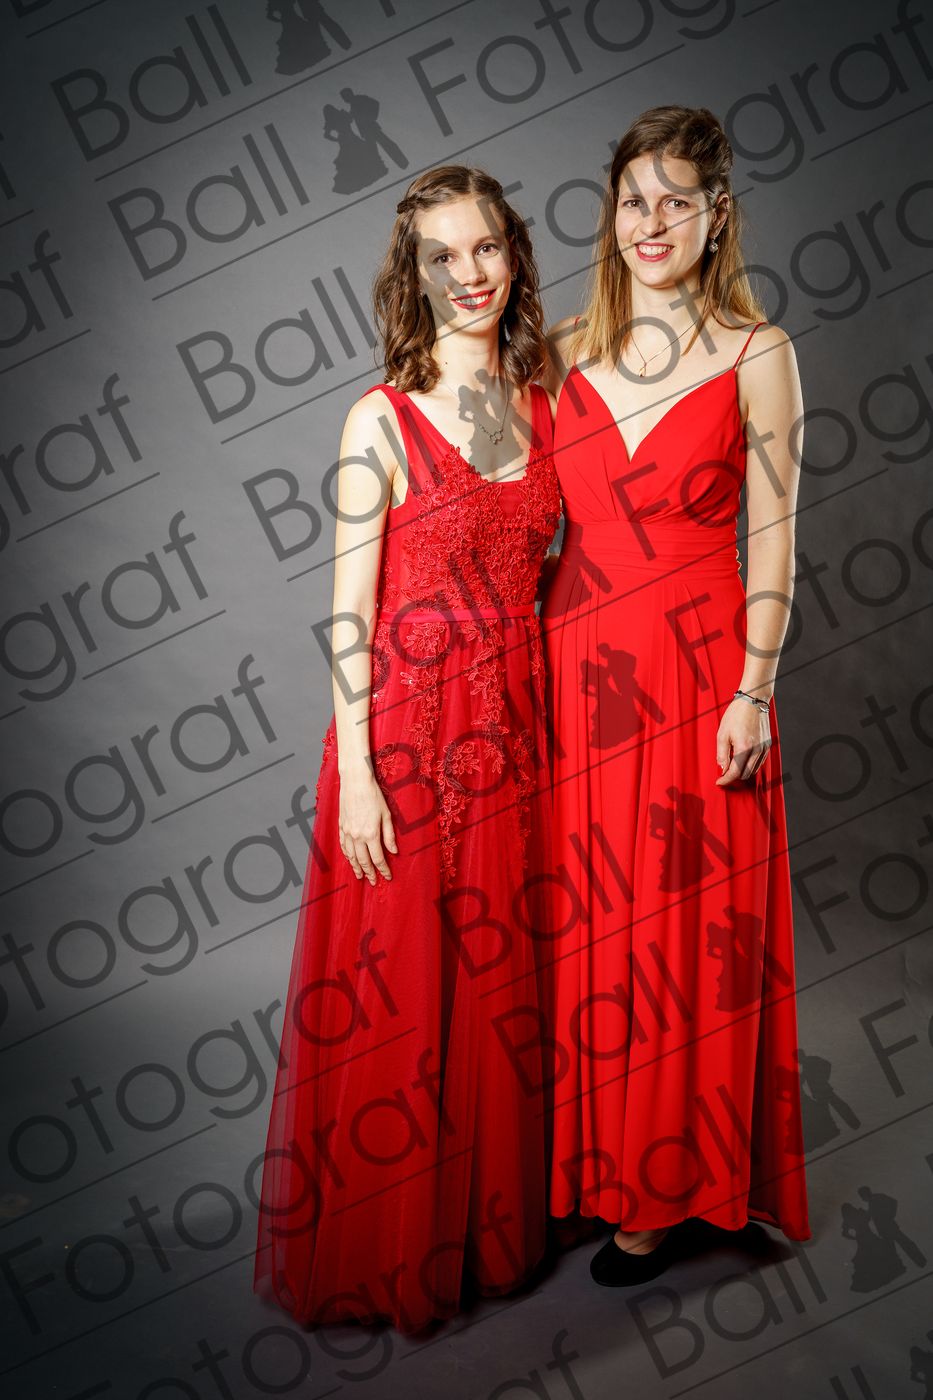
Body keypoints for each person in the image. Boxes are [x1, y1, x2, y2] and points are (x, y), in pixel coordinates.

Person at [253, 165, 561, 1331]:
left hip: (517, 738)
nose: (469, 273)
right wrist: (359, 778)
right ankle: (396, 1246)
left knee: (499, 988)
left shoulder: (548, 403)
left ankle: (491, 1228)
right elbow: (347, 615)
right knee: (406, 994)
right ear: (414, 275)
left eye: (487, 247)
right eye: (444, 255)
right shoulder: (378, 416)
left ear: (513, 256)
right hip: (410, 743)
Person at [539, 105, 811, 1285]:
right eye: (633, 199)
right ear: (612, 213)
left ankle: (680, 1188)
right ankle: (595, 1167)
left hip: (704, 674)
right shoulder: (559, 350)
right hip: (577, 672)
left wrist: (756, 688)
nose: (652, 222)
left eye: (677, 201)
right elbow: (491, 504)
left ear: (716, 215)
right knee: (591, 928)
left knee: (694, 932)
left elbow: (777, 536)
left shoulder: (760, 351)